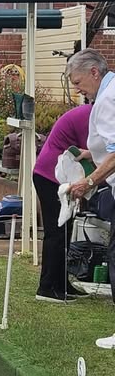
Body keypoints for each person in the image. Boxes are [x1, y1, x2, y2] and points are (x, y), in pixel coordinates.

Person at [66, 49, 115, 346]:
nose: (77, 89)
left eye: (78, 82)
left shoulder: (108, 98)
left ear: (94, 72)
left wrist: (88, 181)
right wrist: (91, 153)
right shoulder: (109, 91)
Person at [32, 102, 91, 302]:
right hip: (50, 176)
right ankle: (47, 287)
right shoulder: (88, 116)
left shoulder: (90, 113)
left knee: (65, 232)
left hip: (60, 175)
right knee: (56, 232)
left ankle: (61, 283)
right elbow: (91, 152)